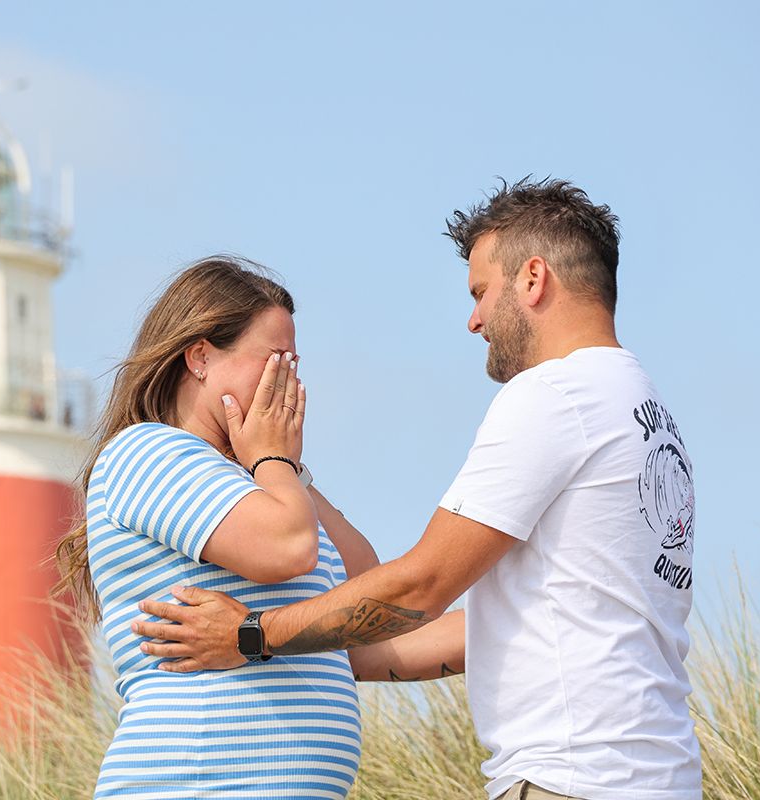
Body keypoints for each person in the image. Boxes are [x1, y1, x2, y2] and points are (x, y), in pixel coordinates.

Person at [133, 181, 702, 800]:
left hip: (575, 778)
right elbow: (496, 626)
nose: (474, 320)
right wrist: (325, 650)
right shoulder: (642, 409)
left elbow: (421, 585)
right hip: (654, 772)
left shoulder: (553, 396)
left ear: (533, 279)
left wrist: (253, 634)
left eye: (482, 291)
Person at [54, 255, 465, 799]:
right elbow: (290, 549)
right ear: (200, 357)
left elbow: (366, 592)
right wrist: (275, 459)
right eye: (274, 361)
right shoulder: (147, 450)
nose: (288, 383)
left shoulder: (263, 490)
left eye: (294, 365)